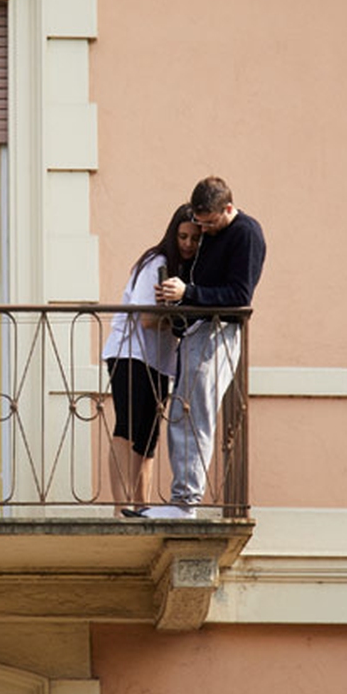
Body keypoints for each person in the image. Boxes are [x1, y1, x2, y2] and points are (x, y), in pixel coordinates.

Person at [145, 176, 265, 519]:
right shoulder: (213, 231)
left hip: (217, 332)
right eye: (199, 223)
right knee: (183, 413)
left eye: (210, 223)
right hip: (198, 332)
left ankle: (185, 503)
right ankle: (182, 500)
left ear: (228, 209)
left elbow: (240, 296)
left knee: (194, 415)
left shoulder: (246, 233)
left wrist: (188, 294)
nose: (205, 230)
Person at [102, 205, 201, 515]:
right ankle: (122, 507)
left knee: (148, 435)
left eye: (195, 238)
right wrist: (179, 316)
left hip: (158, 361)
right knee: (128, 427)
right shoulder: (155, 263)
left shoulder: (187, 273)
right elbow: (146, 318)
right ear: (173, 235)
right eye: (183, 236)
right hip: (129, 353)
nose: (187, 243)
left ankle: (141, 507)